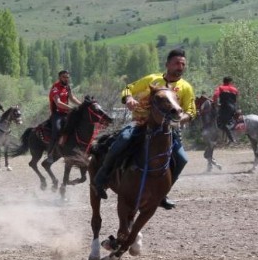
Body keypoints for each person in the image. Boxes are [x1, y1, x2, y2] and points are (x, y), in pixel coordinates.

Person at [92, 49, 196, 209]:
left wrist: (181, 119)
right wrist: (129, 99)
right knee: (122, 141)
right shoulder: (152, 79)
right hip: (140, 122)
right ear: (167, 64)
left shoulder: (186, 87)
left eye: (183, 64)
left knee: (182, 159)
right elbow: (129, 88)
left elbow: (191, 110)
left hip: (168, 129)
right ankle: (102, 177)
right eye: (176, 63)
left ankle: (162, 193)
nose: (180, 67)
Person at [46, 70, 82, 162]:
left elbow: (72, 97)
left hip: (66, 113)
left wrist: (82, 104)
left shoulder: (67, 87)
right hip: (57, 114)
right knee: (57, 130)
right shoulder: (55, 88)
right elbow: (58, 103)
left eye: (67, 77)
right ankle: (50, 153)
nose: (66, 79)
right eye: (64, 77)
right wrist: (71, 108)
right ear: (60, 78)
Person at [212, 76, 239, 143]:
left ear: (223, 81)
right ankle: (231, 137)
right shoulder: (235, 89)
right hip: (233, 108)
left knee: (221, 123)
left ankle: (232, 139)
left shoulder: (220, 88)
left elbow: (215, 96)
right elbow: (236, 99)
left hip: (224, 108)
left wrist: (216, 104)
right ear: (230, 82)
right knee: (231, 121)